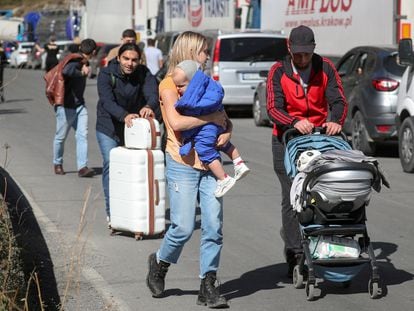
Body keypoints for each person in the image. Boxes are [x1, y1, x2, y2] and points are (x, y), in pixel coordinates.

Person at [146, 31, 230, 308]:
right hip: (182, 164)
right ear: (192, 53)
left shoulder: (207, 83)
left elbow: (223, 119)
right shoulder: (169, 85)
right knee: (182, 227)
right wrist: (212, 118)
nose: (207, 56)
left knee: (214, 226)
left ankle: (208, 283)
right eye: (204, 51)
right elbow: (177, 122)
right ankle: (159, 263)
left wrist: (227, 130)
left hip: (209, 163)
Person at [266, 25, 348, 277]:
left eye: (306, 54)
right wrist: (293, 121)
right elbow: (272, 107)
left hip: (320, 138)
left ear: (313, 49)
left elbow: (339, 101)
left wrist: (336, 121)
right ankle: (295, 252)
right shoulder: (278, 71)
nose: (302, 59)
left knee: (326, 191)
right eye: (298, 54)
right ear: (289, 49)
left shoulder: (325, 68)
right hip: (287, 140)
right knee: (292, 196)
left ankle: (326, 241)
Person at [95, 43, 159, 228]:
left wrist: (148, 107)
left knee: (133, 170)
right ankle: (112, 213)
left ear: (139, 60)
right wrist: (124, 115)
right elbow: (106, 101)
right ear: (119, 58)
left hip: (132, 129)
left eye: (134, 60)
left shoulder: (144, 73)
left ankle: (131, 212)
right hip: (109, 125)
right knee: (111, 164)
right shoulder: (106, 74)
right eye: (126, 59)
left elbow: (153, 94)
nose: (130, 63)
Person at [172, 60, 250, 197]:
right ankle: (239, 163)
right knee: (223, 144)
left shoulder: (192, 100)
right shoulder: (211, 88)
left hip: (206, 128)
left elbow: (190, 125)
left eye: (181, 86)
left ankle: (223, 178)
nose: (178, 89)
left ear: (193, 84)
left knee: (205, 149)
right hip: (219, 124)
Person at [53, 38, 97, 178]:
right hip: (66, 106)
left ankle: (82, 167)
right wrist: (82, 73)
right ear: (94, 52)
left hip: (80, 106)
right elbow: (66, 71)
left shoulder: (82, 61)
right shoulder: (75, 60)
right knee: (60, 137)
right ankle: (57, 163)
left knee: (82, 135)